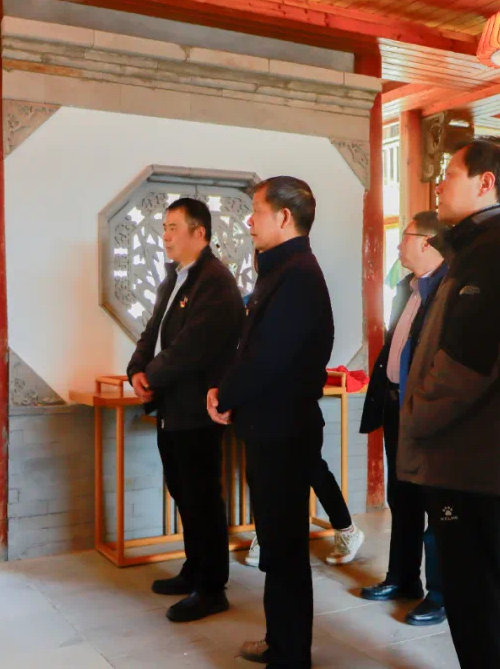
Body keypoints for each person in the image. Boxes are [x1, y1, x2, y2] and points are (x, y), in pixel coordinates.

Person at [398, 136, 500, 668]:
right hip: (467, 455)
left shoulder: (496, 253)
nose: (438, 185)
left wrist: (414, 417)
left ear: (485, 184)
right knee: (472, 592)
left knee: (477, 597)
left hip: (468, 456)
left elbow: (463, 367)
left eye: (449, 175)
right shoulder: (484, 246)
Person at [207, 176, 332, 669]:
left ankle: (291, 654)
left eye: (256, 211)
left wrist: (226, 395)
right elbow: (250, 348)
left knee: (285, 549)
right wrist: (226, 389)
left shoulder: (298, 274)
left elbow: (267, 357)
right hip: (269, 426)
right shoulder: (280, 269)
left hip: (284, 430)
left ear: (284, 217)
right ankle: (280, 641)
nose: (248, 221)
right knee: (277, 547)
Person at [126, 198, 244, 623]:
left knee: (202, 498)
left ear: (200, 233)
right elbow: (152, 332)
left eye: (173, 227)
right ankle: (194, 570)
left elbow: (192, 347)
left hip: (198, 408)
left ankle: (212, 588)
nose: (165, 236)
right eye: (164, 227)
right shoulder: (174, 278)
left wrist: (152, 376)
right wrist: (136, 370)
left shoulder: (215, 281)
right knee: (183, 493)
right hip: (170, 406)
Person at [240, 252, 364, 570]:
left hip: (295, 407)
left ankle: (347, 529)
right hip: (258, 408)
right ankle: (265, 534)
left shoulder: (300, 284)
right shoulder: (251, 301)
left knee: (311, 469)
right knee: (260, 474)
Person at [359, 210, 448, 626]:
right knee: (402, 497)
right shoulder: (407, 288)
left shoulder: (446, 289)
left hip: (427, 413)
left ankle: (440, 594)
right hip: (397, 406)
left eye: (405, 237)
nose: (398, 245)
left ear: (426, 242)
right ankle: (402, 577)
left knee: (435, 503)